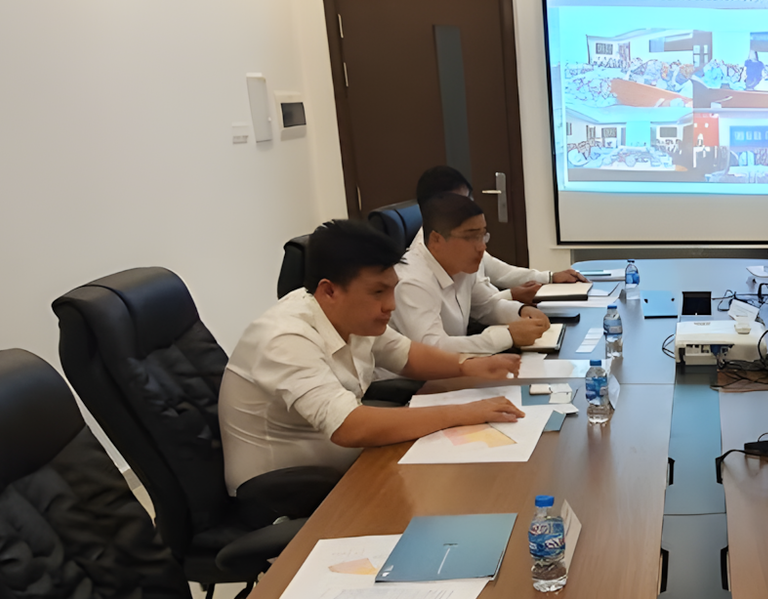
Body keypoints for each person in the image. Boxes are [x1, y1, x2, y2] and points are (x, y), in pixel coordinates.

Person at [219, 218, 520, 489]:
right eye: (378, 292)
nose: (391, 304)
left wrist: (470, 366)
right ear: (330, 291)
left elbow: (406, 355)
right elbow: (349, 427)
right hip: (287, 495)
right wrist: (461, 413)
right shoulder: (284, 339)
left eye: (392, 290)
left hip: (351, 468)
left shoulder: (348, 313)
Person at [393, 191, 549, 356]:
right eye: (471, 237)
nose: (482, 247)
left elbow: (485, 306)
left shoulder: (461, 266)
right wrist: (507, 336)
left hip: (457, 366)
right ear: (436, 240)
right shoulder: (412, 282)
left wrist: (521, 311)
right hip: (413, 379)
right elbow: (432, 348)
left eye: (482, 236)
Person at [414, 165, 583, 305]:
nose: (467, 208)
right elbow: (476, 309)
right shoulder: (426, 262)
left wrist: (549, 277)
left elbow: (500, 273)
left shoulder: (466, 241)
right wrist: (512, 295)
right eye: (459, 202)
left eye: (468, 200)